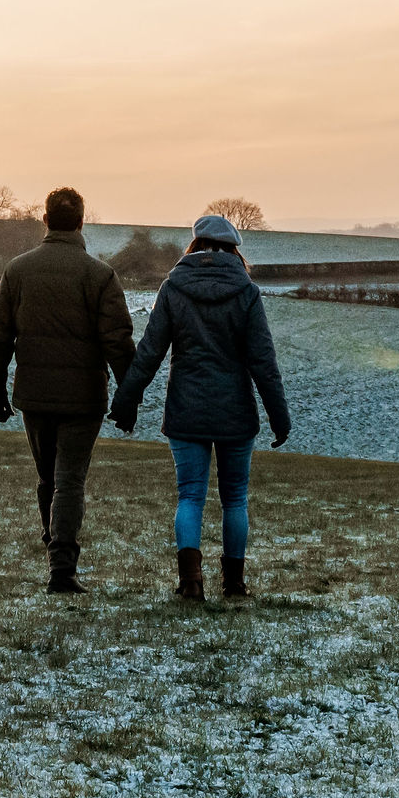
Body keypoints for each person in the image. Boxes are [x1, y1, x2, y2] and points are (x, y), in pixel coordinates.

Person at [109, 214, 291, 602]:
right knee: (235, 498)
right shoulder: (246, 292)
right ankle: (235, 585)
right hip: (235, 412)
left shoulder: (174, 287)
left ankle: (190, 584)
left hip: (186, 408)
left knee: (190, 496)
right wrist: (279, 417)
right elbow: (264, 361)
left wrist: (126, 401)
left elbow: (149, 352)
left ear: (194, 246)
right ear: (233, 249)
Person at [0, 187, 136, 594]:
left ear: (45, 220)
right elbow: (118, 342)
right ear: (82, 222)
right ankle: (62, 568)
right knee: (69, 480)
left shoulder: (18, 271)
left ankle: (54, 547)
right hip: (84, 398)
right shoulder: (100, 275)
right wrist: (128, 398)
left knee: (49, 477)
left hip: (33, 394)